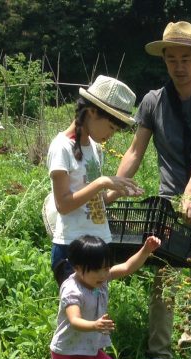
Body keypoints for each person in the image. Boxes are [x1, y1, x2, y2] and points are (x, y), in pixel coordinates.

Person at [116, 21, 191, 359]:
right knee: (163, 282)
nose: (178, 66)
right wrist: (114, 187)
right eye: (171, 59)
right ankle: (159, 357)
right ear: (164, 60)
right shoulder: (152, 101)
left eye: (185, 58)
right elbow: (136, 150)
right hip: (167, 205)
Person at [47, 76, 143, 286]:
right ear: (91, 112)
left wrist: (118, 190)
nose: (111, 134)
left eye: (116, 131)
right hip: (73, 248)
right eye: (110, 127)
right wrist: (101, 182)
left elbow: (97, 202)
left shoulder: (94, 148)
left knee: (96, 310)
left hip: (99, 244)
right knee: (76, 313)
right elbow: (63, 205)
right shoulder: (61, 147)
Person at [50, 233, 161, 359]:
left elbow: (126, 267)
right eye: (97, 270)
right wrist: (95, 325)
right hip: (67, 353)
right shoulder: (72, 290)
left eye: (106, 268)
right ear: (78, 268)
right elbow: (74, 320)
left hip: (91, 349)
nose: (103, 274)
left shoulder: (99, 280)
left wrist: (146, 250)